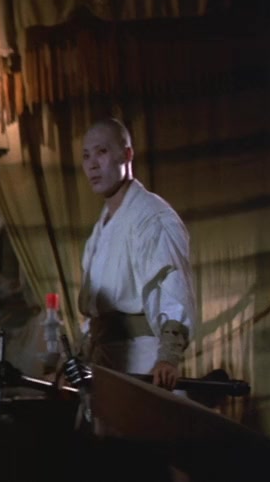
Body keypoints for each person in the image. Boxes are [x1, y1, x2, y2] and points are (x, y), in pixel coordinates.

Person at [75, 118, 196, 388]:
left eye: (102, 152)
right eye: (86, 156)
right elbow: (96, 309)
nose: (92, 164)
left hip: (143, 356)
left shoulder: (151, 215)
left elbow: (173, 288)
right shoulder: (102, 227)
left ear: (127, 154)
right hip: (104, 358)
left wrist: (168, 357)